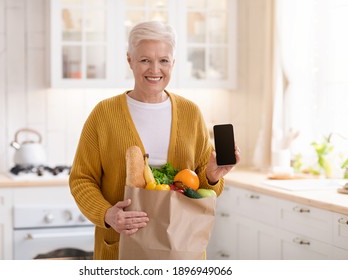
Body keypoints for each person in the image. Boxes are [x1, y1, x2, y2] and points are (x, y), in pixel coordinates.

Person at [69, 21, 241, 260]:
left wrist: (212, 177)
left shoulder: (191, 113)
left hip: (180, 248)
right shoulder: (104, 114)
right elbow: (81, 179)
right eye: (145, 60)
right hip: (120, 247)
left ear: (173, 63)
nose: (155, 69)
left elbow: (201, 188)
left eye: (163, 60)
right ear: (130, 60)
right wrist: (108, 214)